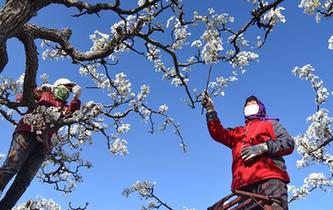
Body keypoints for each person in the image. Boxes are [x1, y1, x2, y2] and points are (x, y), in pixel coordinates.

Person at [202, 93, 294, 210]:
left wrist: (263, 147)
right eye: (247, 105)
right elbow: (218, 134)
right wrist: (210, 111)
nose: (249, 105)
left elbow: (288, 143)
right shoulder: (238, 132)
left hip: (269, 180)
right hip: (243, 187)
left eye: (253, 103)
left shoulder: (270, 124)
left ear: (260, 107)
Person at [0, 78, 82, 210]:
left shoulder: (65, 108)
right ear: (57, 85)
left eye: (70, 89)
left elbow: (73, 115)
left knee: (24, 181)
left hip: (44, 145)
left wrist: (76, 98)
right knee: (11, 167)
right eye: (66, 87)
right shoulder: (45, 94)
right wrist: (40, 90)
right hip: (27, 132)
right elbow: (20, 98)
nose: (67, 90)